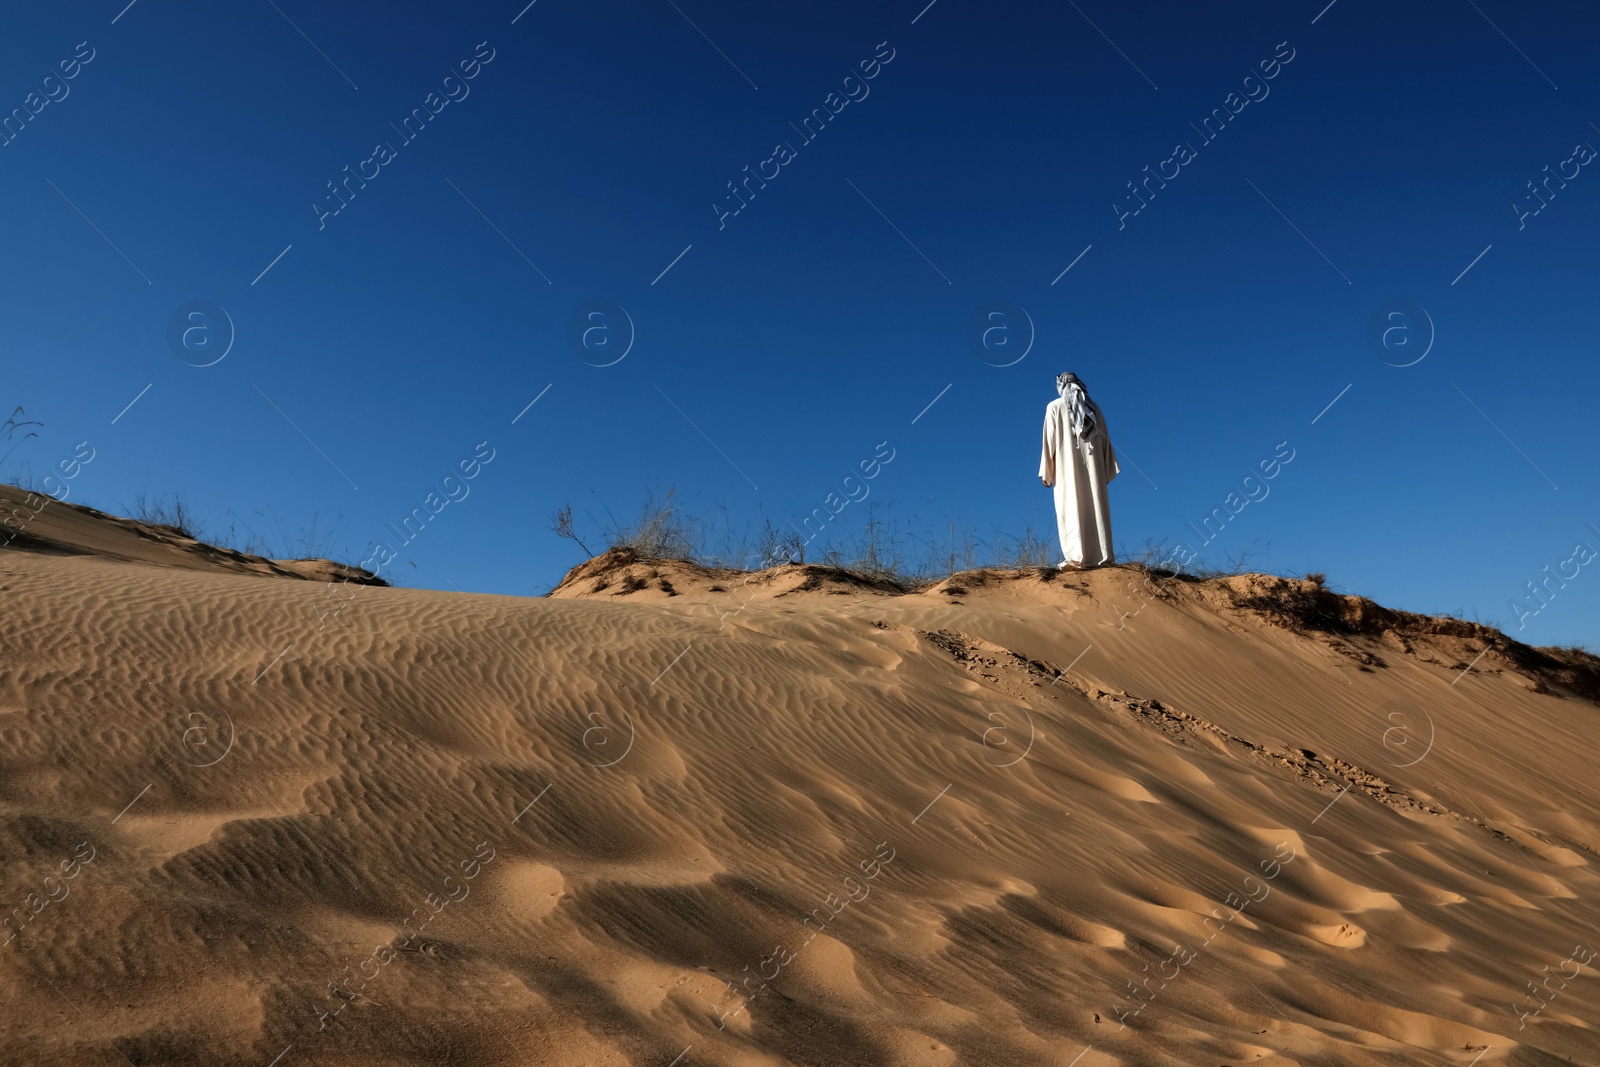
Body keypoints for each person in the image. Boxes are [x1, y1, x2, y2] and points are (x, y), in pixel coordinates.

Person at [1039, 371, 1118, 568]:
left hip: (1067, 473)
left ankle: (1077, 557)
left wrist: (1046, 472)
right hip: (1094, 472)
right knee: (1094, 509)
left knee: (1071, 506)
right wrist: (1105, 470)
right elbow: (1107, 444)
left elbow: (1048, 442)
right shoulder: (1094, 410)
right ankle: (1101, 557)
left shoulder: (1054, 407)